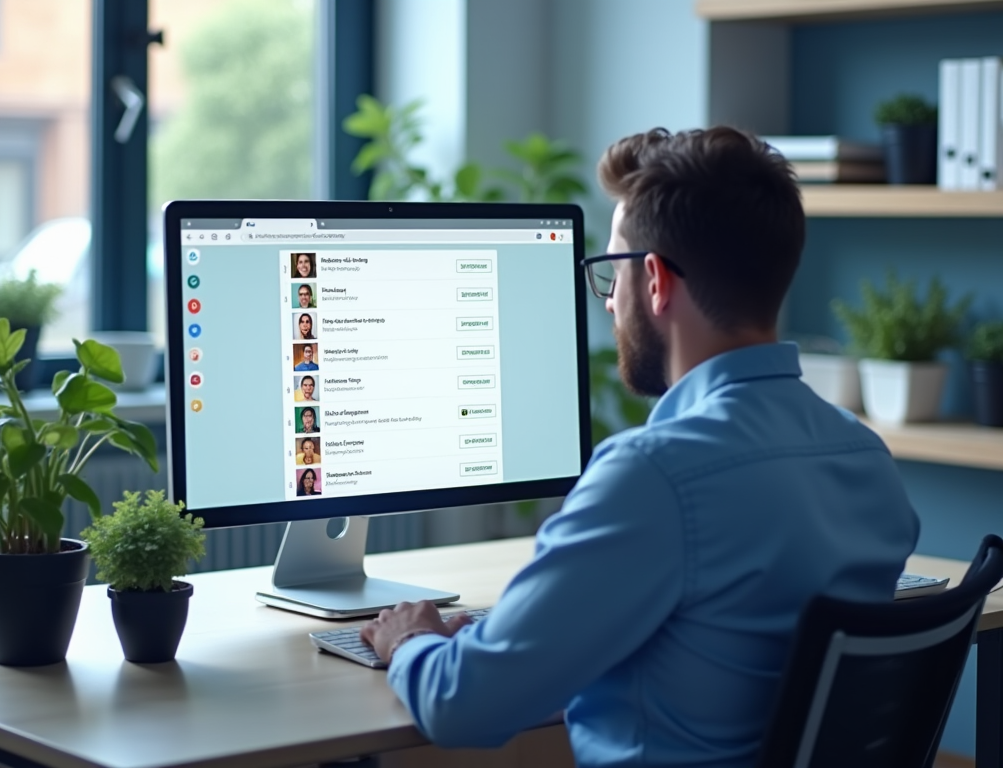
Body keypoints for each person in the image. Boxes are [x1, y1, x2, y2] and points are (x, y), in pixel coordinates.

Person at [360, 127, 920, 767]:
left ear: (653, 280)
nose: (609, 304)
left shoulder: (655, 475)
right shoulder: (865, 457)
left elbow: (465, 706)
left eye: (611, 271)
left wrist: (410, 641)